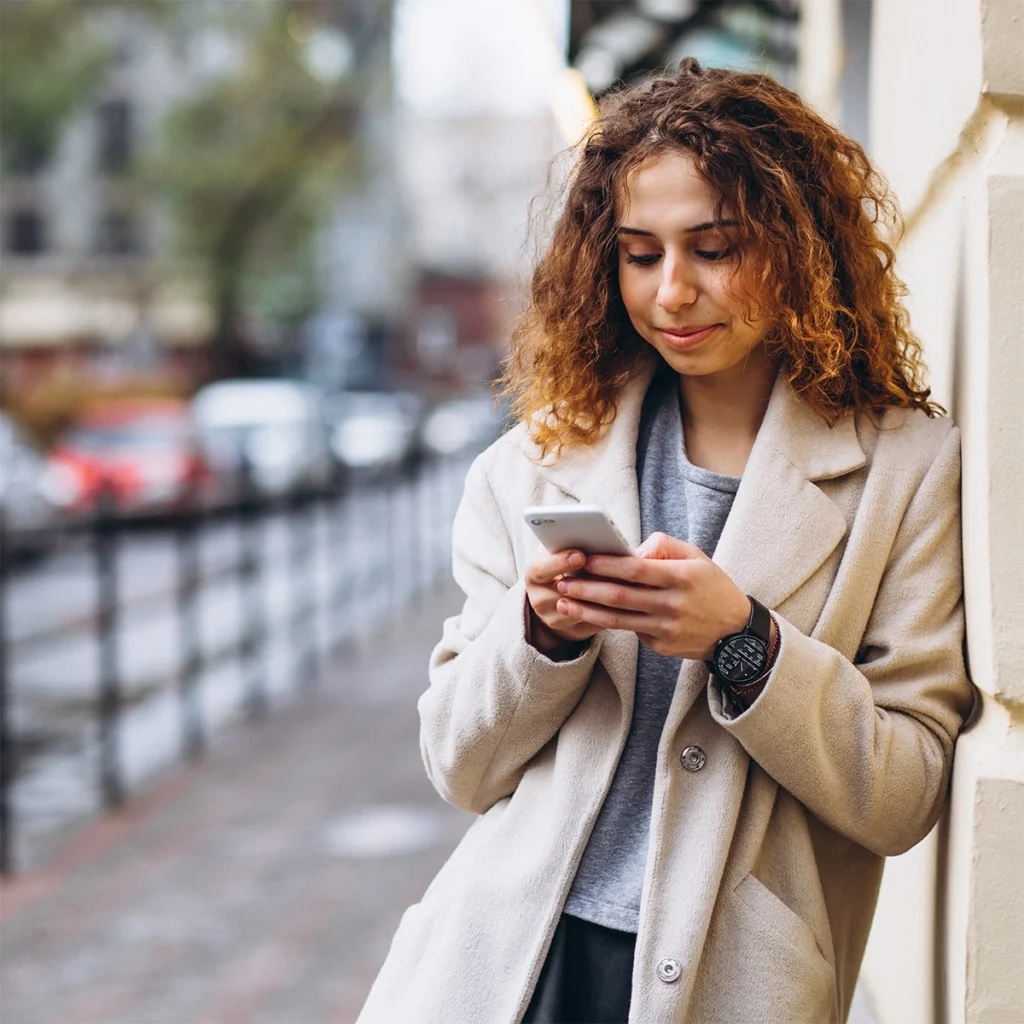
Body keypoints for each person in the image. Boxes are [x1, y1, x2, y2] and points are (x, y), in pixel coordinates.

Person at [358, 58, 974, 1024]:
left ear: (799, 245)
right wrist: (544, 637)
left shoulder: (907, 469)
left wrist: (745, 643)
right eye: (641, 254)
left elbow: (903, 796)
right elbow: (460, 767)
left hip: (736, 983)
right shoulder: (529, 467)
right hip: (499, 969)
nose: (673, 291)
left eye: (715, 248)